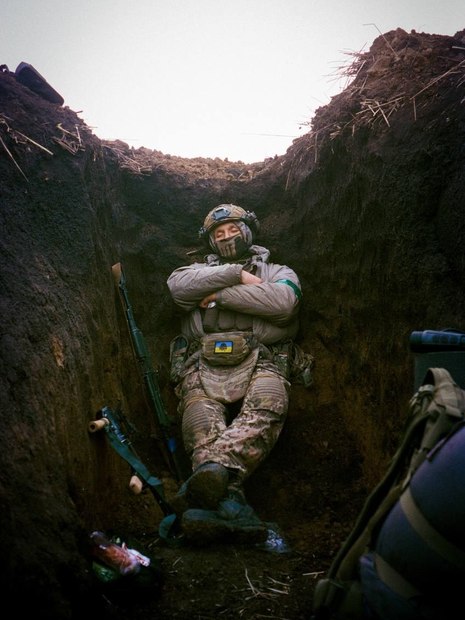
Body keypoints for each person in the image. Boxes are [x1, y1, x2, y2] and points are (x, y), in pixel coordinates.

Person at [166, 203, 303, 543]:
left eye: (232, 228)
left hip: (262, 357)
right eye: (218, 232)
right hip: (201, 362)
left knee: (269, 399)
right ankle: (232, 505)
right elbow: (178, 289)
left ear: (248, 231)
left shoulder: (278, 271)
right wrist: (237, 277)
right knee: (198, 418)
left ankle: (209, 485)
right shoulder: (192, 272)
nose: (226, 236)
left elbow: (284, 304)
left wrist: (219, 296)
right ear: (210, 241)